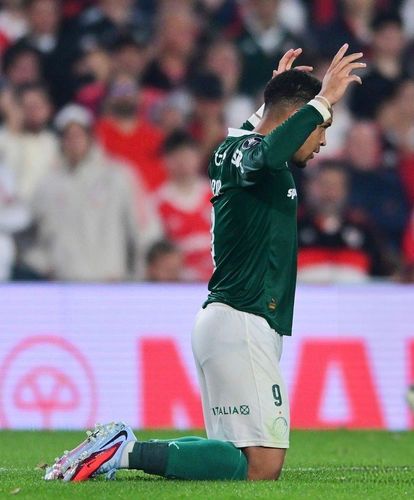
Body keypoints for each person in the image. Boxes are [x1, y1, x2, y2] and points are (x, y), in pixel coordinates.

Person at [44, 44, 365, 482]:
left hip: (230, 321)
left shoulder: (231, 149)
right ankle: (122, 451)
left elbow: (263, 138)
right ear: (295, 117)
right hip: (242, 320)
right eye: (320, 127)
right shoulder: (257, 157)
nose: (322, 140)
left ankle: (121, 447)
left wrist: (276, 97)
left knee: (234, 457)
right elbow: (267, 151)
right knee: (263, 466)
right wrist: (322, 100)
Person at [23, 104, 161, 281]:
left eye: (79, 134)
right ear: (60, 140)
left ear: (90, 137)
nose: (74, 141)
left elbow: (144, 228)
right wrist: (44, 264)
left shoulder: (118, 175)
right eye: (68, 135)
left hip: (111, 281)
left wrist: (136, 275)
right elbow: (26, 234)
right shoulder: (48, 184)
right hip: (65, 283)